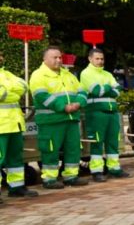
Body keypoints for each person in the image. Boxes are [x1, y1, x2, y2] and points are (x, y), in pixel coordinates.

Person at [30, 46, 87, 188]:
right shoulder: (38, 75)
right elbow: (42, 96)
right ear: (45, 59)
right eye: (54, 57)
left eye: (60, 57)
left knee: (73, 148)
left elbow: (82, 92)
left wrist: (78, 104)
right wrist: (64, 107)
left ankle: (71, 176)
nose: (58, 60)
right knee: (50, 150)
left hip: (71, 119)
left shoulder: (69, 75)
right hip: (51, 121)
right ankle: (49, 179)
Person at [80, 47, 130, 182]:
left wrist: (106, 89)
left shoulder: (107, 74)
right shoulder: (86, 73)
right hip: (96, 113)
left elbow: (118, 90)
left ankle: (114, 168)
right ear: (90, 59)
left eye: (102, 59)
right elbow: (97, 91)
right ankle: (96, 171)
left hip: (112, 112)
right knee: (97, 142)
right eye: (97, 58)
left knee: (113, 141)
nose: (100, 61)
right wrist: (109, 88)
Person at [0, 51, 38, 198]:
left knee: (15, 158)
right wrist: (11, 92)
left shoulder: (6, 73)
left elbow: (23, 86)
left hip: (15, 124)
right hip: (2, 126)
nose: (1, 57)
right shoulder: (8, 77)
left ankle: (16, 187)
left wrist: (7, 91)